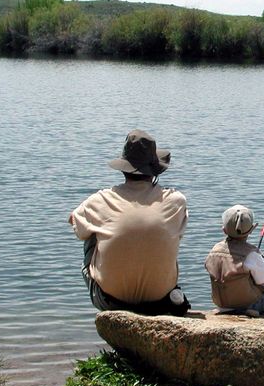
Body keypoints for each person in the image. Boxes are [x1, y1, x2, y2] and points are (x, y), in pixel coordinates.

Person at [69, 129, 190, 316]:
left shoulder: (101, 199)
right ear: (154, 171)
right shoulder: (176, 201)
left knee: (89, 232)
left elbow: (73, 220)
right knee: (164, 233)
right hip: (160, 299)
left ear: (123, 169)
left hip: (111, 301)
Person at [205, 204, 264, 316]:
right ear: (251, 230)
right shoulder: (251, 254)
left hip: (222, 304)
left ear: (224, 230)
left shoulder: (214, 251)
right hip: (249, 305)